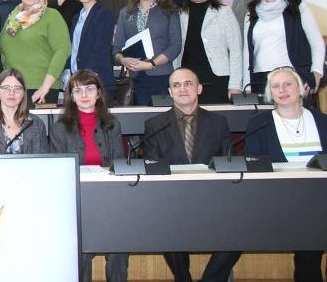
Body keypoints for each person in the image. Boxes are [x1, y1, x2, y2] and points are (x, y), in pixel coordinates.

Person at [143, 68, 241, 282]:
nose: (182, 89)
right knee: (164, 223)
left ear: (199, 88)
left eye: (188, 83)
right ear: (170, 92)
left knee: (242, 227)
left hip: (213, 199)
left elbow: (228, 164)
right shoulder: (154, 125)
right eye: (176, 85)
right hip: (172, 201)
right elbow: (153, 170)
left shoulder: (218, 122)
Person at [245, 67, 326, 282]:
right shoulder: (259, 124)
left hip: (320, 198)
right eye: (276, 86)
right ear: (270, 93)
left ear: (301, 89)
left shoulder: (323, 122)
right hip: (279, 198)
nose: (282, 90)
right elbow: (254, 165)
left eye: (288, 84)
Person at [50, 69, 127, 282]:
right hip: (77, 200)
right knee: (81, 250)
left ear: (99, 93)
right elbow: (59, 172)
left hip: (109, 198)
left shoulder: (112, 124)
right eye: (78, 91)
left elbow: (119, 165)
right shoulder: (60, 128)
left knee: (119, 245)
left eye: (89, 89)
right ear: (71, 97)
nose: (84, 95)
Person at [243, 0, 324, 94]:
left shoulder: (298, 7)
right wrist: (247, 86)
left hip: (293, 76)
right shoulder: (251, 11)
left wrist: (316, 73)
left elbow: (317, 43)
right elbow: (247, 51)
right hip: (259, 79)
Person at [112, 0, 181, 105]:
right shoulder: (125, 13)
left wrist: (152, 64)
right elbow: (116, 48)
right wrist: (123, 60)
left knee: (161, 116)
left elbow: (175, 45)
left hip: (160, 75)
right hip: (134, 78)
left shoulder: (169, 10)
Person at [0, 0, 70, 105]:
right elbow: (3, 51)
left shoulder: (52, 16)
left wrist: (45, 86)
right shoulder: (13, 18)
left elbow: (63, 50)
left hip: (41, 90)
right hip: (12, 89)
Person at [175, 0, 242, 104]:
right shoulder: (180, 14)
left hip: (216, 79)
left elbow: (236, 50)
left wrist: (235, 85)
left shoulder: (224, 12)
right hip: (187, 80)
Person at [0, 69, 48, 154]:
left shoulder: (37, 124)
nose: (11, 93)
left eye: (17, 88)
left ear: (23, 93)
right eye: (6, 88)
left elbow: (45, 161)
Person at [67, 0, 117, 96]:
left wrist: (84, 77)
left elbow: (101, 50)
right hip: (77, 80)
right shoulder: (77, 17)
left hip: (96, 81)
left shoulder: (104, 14)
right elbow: (74, 49)